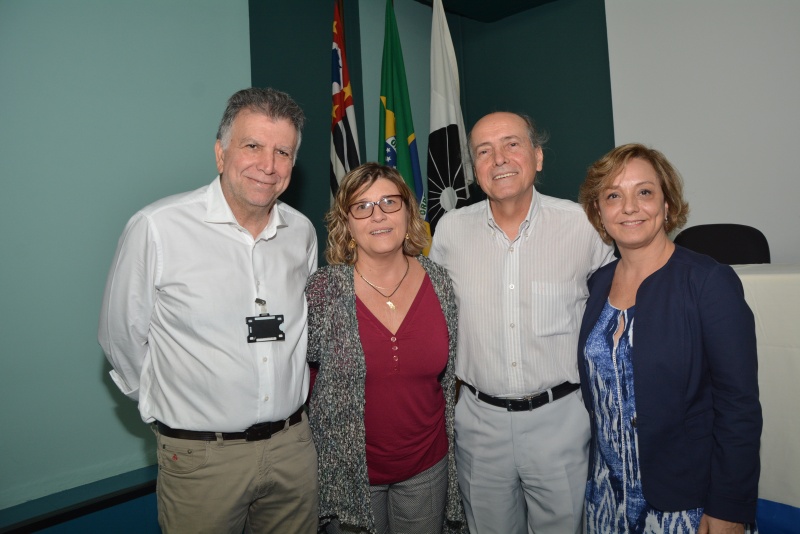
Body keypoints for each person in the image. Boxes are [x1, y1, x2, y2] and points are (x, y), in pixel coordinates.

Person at [98, 87, 319, 533]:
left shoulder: (302, 233)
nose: (268, 165)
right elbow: (120, 336)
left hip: (294, 449)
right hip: (201, 458)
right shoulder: (157, 228)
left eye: (283, 152)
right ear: (221, 153)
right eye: (252, 146)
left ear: (293, 165)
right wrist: (167, 407)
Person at [428, 112, 614, 533]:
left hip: (561, 421)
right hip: (479, 423)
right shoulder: (450, 233)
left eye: (512, 144)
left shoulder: (585, 226)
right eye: (484, 151)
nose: (500, 159)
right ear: (474, 169)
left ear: (538, 156)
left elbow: (613, 321)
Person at [577, 143, 762, 533]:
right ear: (599, 212)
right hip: (607, 498)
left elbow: (739, 406)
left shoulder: (709, 283)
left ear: (666, 206)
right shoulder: (597, 285)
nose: (629, 207)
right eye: (613, 195)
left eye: (644, 192)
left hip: (683, 504)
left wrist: (729, 507)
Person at [305, 163, 465, 534]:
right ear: (347, 221)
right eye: (362, 206)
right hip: (348, 474)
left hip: (426, 467)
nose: (378, 215)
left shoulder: (438, 281)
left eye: (389, 202)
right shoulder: (324, 290)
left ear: (408, 210)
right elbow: (305, 379)